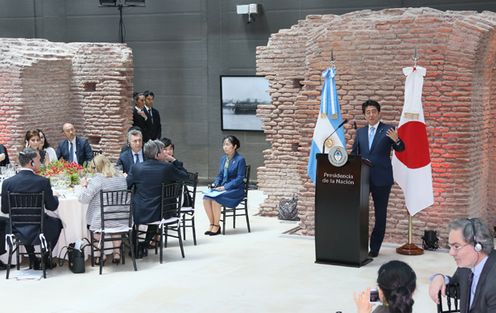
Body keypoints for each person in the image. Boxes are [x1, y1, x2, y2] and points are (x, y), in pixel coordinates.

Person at [351, 100, 405, 257]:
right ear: (364, 115)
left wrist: (397, 140)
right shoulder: (360, 132)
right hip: (363, 179)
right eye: (367, 112)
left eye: (374, 111)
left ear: (379, 113)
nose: (371, 115)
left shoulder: (389, 130)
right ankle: (358, 244)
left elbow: (401, 149)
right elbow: (355, 154)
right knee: (359, 212)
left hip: (382, 179)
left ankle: (374, 249)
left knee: (380, 214)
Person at [1, 147, 62, 269]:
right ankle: (45, 258)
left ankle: (33, 258)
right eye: (39, 160)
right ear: (31, 162)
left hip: (16, 228)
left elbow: (5, 210)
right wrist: (54, 196)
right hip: (39, 227)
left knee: (24, 224)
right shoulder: (42, 181)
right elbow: (52, 206)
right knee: (58, 223)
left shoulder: (7, 183)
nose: (41, 162)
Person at [126, 139, 188, 251]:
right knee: (156, 210)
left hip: (140, 210)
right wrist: (174, 160)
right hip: (162, 211)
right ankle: (144, 244)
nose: (165, 153)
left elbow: (127, 185)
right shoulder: (167, 168)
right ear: (157, 154)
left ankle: (137, 245)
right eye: (163, 151)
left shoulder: (136, 168)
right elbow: (185, 176)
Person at [428, 218, 496, 313]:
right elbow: (456, 288)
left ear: (478, 246)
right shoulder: (466, 266)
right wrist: (440, 278)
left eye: (456, 247)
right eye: (450, 247)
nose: (451, 253)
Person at [79, 154, 128, 264]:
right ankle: (116, 253)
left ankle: (101, 254)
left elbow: (84, 199)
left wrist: (83, 185)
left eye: (92, 168)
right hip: (122, 218)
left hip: (102, 220)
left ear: (97, 168)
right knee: (114, 223)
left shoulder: (97, 180)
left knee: (92, 226)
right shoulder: (121, 178)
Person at [203, 135, 246, 236]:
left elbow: (240, 178)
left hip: (235, 189)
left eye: (227, 145)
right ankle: (212, 223)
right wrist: (215, 184)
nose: (225, 147)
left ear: (234, 146)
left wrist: (225, 187)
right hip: (222, 187)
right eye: (224, 145)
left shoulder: (240, 159)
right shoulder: (223, 159)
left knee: (215, 199)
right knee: (206, 198)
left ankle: (217, 226)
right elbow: (220, 175)